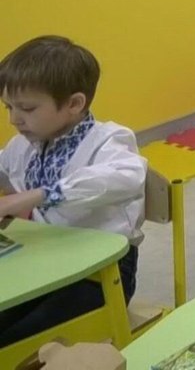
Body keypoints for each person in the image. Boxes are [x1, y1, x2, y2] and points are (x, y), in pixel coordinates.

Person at [0, 36, 147, 345]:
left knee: (13, 340)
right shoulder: (25, 144)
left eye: (26, 108)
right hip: (48, 261)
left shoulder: (109, 140)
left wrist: (37, 194)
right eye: (8, 107)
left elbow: (127, 176)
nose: (14, 119)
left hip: (102, 277)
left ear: (74, 104)